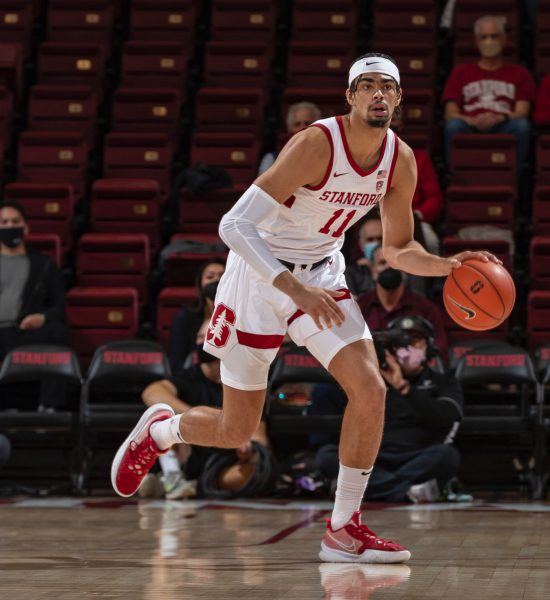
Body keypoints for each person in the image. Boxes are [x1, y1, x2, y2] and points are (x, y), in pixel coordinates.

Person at [112, 52, 499, 564]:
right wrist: (292, 291)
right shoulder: (317, 143)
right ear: (351, 96)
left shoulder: (399, 159)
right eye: (367, 85)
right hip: (259, 274)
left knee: (369, 388)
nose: (378, 93)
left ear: (399, 98)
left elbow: (397, 250)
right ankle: (162, 430)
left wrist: (451, 265)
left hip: (321, 272)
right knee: (236, 428)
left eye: (387, 86)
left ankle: (343, 528)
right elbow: (233, 226)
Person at [312, 316, 463, 503]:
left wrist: (403, 387)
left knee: (448, 456)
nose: (408, 348)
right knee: (326, 455)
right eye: (401, 342)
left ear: (429, 349)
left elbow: (444, 419)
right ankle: (405, 492)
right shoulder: (371, 382)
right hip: (374, 458)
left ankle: (370, 489)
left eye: (415, 342)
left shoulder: (444, 382)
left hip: (417, 456)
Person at [139, 320, 271, 499]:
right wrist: (196, 419)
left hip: (225, 458)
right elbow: (151, 392)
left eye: (206, 337)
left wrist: (248, 445)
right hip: (189, 451)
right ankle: (173, 477)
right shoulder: (189, 376)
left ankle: (191, 485)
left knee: (252, 468)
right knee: (161, 416)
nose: (201, 343)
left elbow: (260, 433)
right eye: (199, 338)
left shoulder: (244, 382)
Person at [442, 15, 535, 166]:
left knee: (522, 126)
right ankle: (456, 177)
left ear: (504, 39)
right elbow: (450, 113)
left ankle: (514, 179)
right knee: (453, 126)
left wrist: (499, 118)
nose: (489, 41)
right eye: (484, 37)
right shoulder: (461, 72)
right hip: (470, 125)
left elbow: (522, 112)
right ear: (476, 41)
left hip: (504, 124)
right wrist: (473, 120)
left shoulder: (520, 74)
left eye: (494, 36)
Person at [358, 243, 449, 360]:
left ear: (405, 269)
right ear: (373, 271)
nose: (389, 268)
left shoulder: (426, 309)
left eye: (394, 263)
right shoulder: (359, 307)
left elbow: (439, 352)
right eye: (382, 263)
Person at [0, 201, 67, 359]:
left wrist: (42, 318)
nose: (10, 226)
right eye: (4, 222)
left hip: (22, 332)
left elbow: (59, 306)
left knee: (57, 332)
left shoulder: (44, 264)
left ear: (26, 227)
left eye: (16, 221)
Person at [390, 112, 442, 255]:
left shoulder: (418, 158)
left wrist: (417, 215)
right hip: (373, 220)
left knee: (430, 242)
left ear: (400, 125)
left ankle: (431, 278)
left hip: (412, 220)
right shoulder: (363, 159)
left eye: (392, 118)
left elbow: (434, 198)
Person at [168, 259, 225, 372]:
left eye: (222, 277)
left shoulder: (240, 315)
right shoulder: (184, 316)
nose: (216, 281)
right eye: (210, 277)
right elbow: (178, 359)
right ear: (200, 283)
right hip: (194, 376)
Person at [257, 102, 322, 175]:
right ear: (289, 128)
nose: (302, 128)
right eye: (297, 124)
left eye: (307, 123)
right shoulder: (271, 159)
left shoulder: (327, 155)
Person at [344, 211, 383, 297]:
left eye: (380, 238)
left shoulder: (403, 269)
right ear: (361, 244)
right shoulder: (351, 274)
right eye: (370, 239)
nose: (376, 243)